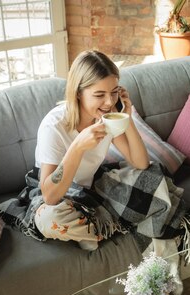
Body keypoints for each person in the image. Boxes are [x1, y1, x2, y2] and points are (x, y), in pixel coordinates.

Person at [33, 50, 150, 250]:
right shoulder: (53, 126)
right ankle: (108, 225)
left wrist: (126, 117)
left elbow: (141, 163)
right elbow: (50, 196)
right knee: (49, 218)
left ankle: (94, 228)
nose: (109, 102)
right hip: (57, 195)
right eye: (99, 95)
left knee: (151, 179)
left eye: (114, 92)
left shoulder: (107, 117)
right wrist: (78, 146)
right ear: (78, 92)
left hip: (89, 190)